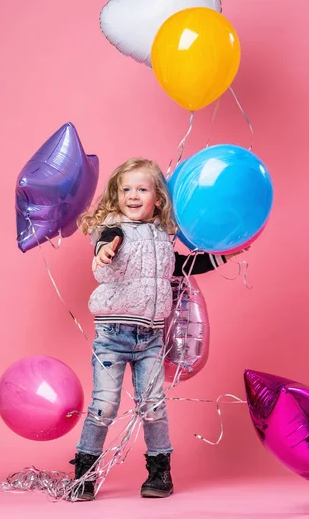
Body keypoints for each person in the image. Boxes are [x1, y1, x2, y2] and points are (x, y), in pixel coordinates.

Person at [70, 158, 246, 500]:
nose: (132, 196)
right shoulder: (112, 227)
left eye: (141, 189)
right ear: (116, 194)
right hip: (113, 335)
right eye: (125, 189)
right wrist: (105, 250)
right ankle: (84, 473)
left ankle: (159, 473)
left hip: (151, 338)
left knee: (153, 406)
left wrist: (226, 255)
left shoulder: (164, 237)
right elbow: (108, 240)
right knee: (104, 406)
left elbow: (182, 266)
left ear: (158, 199)